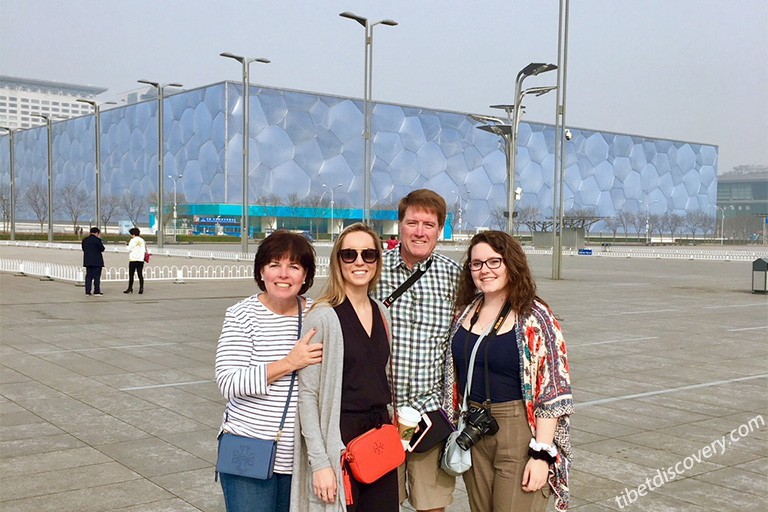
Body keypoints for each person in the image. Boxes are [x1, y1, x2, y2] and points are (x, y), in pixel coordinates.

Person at [448, 230, 573, 512]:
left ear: (511, 264)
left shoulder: (535, 316)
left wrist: (541, 455)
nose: (485, 270)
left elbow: (553, 390)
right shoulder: (465, 311)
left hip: (516, 431)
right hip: (474, 428)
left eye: (494, 261)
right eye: (477, 263)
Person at [292, 223, 397, 511]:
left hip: (378, 436)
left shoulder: (382, 312)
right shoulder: (323, 317)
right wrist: (320, 463)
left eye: (368, 254)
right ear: (338, 261)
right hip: (340, 437)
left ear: (377, 261)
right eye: (349, 254)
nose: (359, 262)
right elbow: (308, 395)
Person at [215, 230, 321, 512]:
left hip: (301, 457)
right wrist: (289, 362)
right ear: (261, 271)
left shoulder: (318, 315)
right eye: (274, 265)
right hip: (248, 448)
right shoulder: (242, 315)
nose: (283, 274)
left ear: (306, 276)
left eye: (294, 266)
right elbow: (229, 381)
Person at [372, 189, 462, 512]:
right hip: (382, 414)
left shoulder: (454, 276)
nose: (420, 232)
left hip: (430, 413)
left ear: (440, 230)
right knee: (381, 503)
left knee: (432, 505)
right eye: (412, 223)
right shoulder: (374, 271)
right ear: (400, 225)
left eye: (429, 224)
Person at [81, 227, 105, 296]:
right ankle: (96, 291)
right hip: (97, 261)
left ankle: (87, 291)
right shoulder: (97, 240)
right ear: (97, 233)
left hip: (88, 260)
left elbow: (83, 249)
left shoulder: (85, 240)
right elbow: (102, 249)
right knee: (96, 277)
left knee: (88, 276)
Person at [124, 227, 147, 294]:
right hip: (140, 260)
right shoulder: (142, 240)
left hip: (133, 259)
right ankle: (141, 288)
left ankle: (130, 288)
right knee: (140, 275)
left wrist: (127, 245)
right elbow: (145, 250)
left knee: (131, 275)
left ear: (133, 234)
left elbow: (129, 249)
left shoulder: (132, 240)